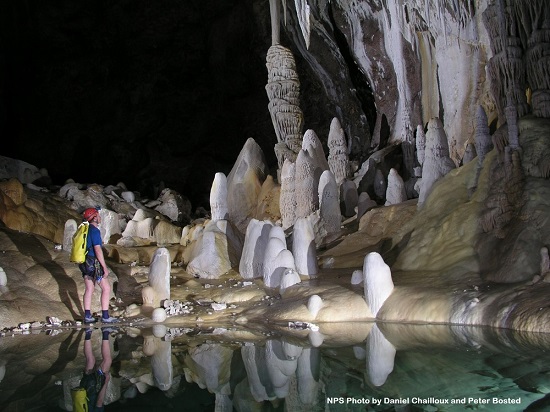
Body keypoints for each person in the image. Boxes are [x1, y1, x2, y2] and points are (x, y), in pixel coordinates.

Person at [79, 207, 117, 324]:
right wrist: (104, 268)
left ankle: (87, 315)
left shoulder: (84, 230)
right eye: (98, 215)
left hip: (84, 262)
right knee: (106, 288)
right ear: (94, 218)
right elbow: (98, 250)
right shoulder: (95, 231)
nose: (100, 217)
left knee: (89, 288)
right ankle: (105, 316)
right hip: (94, 263)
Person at [76, 327, 114, 411]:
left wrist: (105, 382)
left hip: (94, 385)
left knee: (107, 361)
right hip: (85, 386)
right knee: (90, 359)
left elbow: (99, 401)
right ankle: (88, 333)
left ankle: (105, 333)